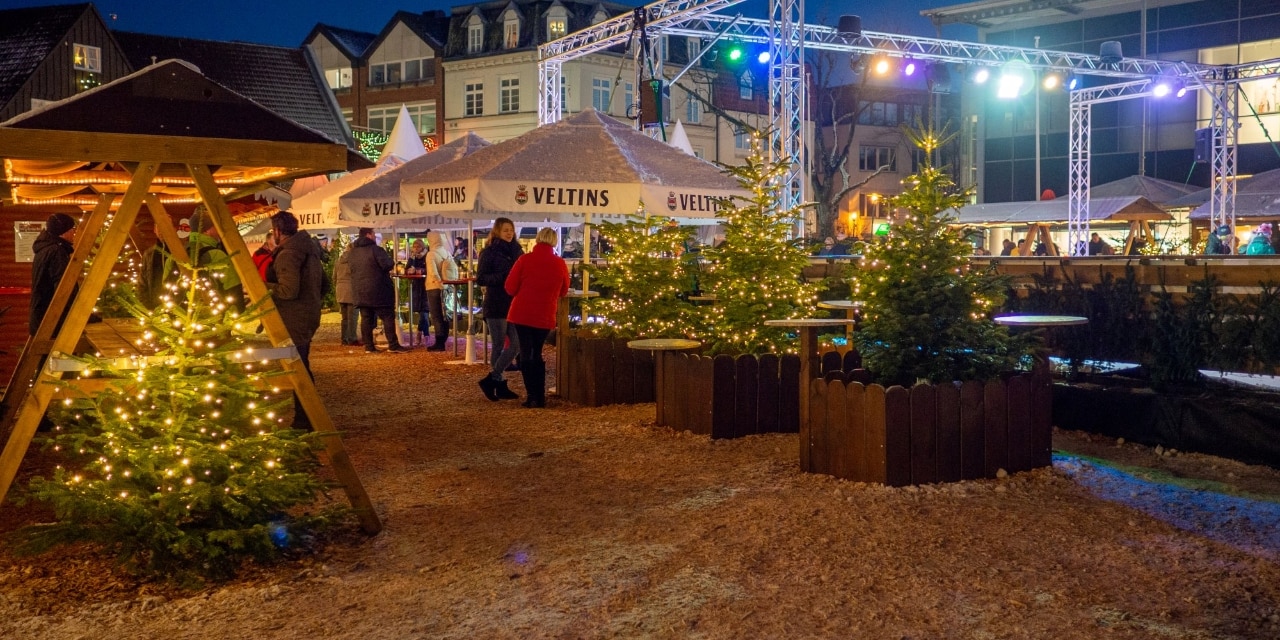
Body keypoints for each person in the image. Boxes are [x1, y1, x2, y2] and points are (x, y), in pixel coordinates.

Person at [264, 211, 327, 430]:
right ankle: (307, 416)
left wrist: (261, 287)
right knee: (301, 364)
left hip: (293, 317)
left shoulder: (289, 253)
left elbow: (288, 290)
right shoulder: (309, 251)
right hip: (307, 315)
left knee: (298, 369)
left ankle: (305, 419)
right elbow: (325, 285)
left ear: (278, 231)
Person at [504, 227, 570, 408]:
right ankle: (539, 397)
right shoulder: (559, 263)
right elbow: (564, 290)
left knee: (525, 352)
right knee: (537, 352)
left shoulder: (524, 260)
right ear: (555, 241)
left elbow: (510, 287)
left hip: (522, 313)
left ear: (538, 239)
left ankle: (531, 395)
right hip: (544, 314)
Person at [476, 218, 524, 401]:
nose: (509, 233)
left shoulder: (517, 251)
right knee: (498, 344)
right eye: (505, 230)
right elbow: (481, 278)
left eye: (511, 230)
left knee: (516, 343)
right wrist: (504, 277)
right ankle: (500, 383)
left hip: (514, 303)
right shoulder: (489, 252)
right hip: (496, 303)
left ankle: (493, 379)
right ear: (497, 231)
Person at [349, 227, 408, 354]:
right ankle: (393, 345)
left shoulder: (353, 252)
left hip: (360, 291)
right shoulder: (376, 250)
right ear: (369, 235)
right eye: (374, 234)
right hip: (379, 290)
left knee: (366, 319)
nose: (375, 236)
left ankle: (369, 347)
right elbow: (387, 264)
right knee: (387, 316)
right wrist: (392, 260)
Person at [29, 213, 77, 336]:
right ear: (63, 231)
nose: (74, 233)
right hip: (51, 319)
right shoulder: (57, 251)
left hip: (41, 314)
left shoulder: (46, 248)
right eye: (72, 229)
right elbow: (63, 286)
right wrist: (74, 313)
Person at [425, 230, 458, 351]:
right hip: (447, 286)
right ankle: (444, 338)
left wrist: (439, 284)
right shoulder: (447, 252)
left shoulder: (431, 254)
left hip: (434, 287)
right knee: (445, 314)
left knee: (436, 315)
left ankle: (439, 343)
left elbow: (433, 273)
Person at [334, 241, 360, 346]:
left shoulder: (338, 261)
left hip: (340, 290)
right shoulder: (354, 261)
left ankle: (344, 338)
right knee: (353, 317)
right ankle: (352, 339)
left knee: (344, 318)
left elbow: (334, 277)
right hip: (351, 290)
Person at [406, 238, 430, 341]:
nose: (416, 249)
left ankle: (424, 335)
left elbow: (430, 269)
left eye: (418, 247)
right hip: (416, 286)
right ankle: (422, 334)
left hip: (426, 286)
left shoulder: (427, 256)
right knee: (422, 312)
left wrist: (420, 270)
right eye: (414, 247)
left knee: (424, 312)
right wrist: (409, 270)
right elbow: (406, 268)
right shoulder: (412, 257)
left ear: (423, 247)